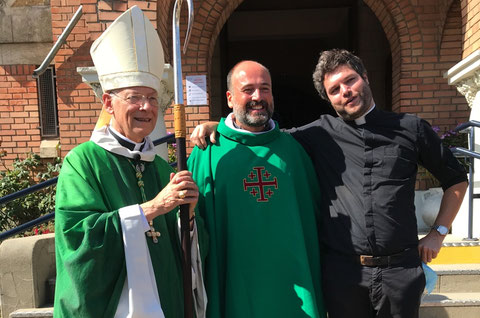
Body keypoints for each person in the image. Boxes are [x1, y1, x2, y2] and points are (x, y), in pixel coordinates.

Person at [191, 49, 468, 318]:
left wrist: (438, 232)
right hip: (345, 275)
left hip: (400, 271)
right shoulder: (317, 134)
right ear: (329, 99)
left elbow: (456, 180)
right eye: (334, 90)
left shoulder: (411, 128)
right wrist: (219, 125)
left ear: (365, 77)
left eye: (350, 80)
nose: (344, 91)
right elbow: (260, 133)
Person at [54, 6, 207, 317]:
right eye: (135, 97)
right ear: (108, 102)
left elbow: (183, 246)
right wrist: (153, 208)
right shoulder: (83, 162)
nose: (146, 107)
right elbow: (78, 237)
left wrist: (187, 218)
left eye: (152, 98)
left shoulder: (162, 166)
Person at [187, 60, 326, 318]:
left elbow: (314, 221)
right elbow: (193, 227)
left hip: (292, 282)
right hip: (233, 283)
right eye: (248, 89)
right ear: (230, 98)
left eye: (265, 89)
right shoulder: (208, 153)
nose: (257, 97)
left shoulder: (294, 151)